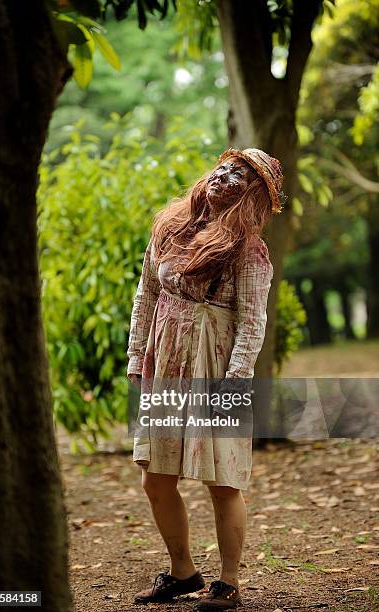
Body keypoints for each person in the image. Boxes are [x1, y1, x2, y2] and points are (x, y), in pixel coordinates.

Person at [127, 147, 285, 610]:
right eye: (224, 166)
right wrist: (137, 354)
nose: (224, 174)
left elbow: (253, 322)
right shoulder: (171, 229)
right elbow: (146, 295)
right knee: (155, 478)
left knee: (224, 479)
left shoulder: (250, 250)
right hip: (166, 359)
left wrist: (236, 381)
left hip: (215, 364)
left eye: (240, 173)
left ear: (252, 195)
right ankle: (182, 573)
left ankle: (229, 582)